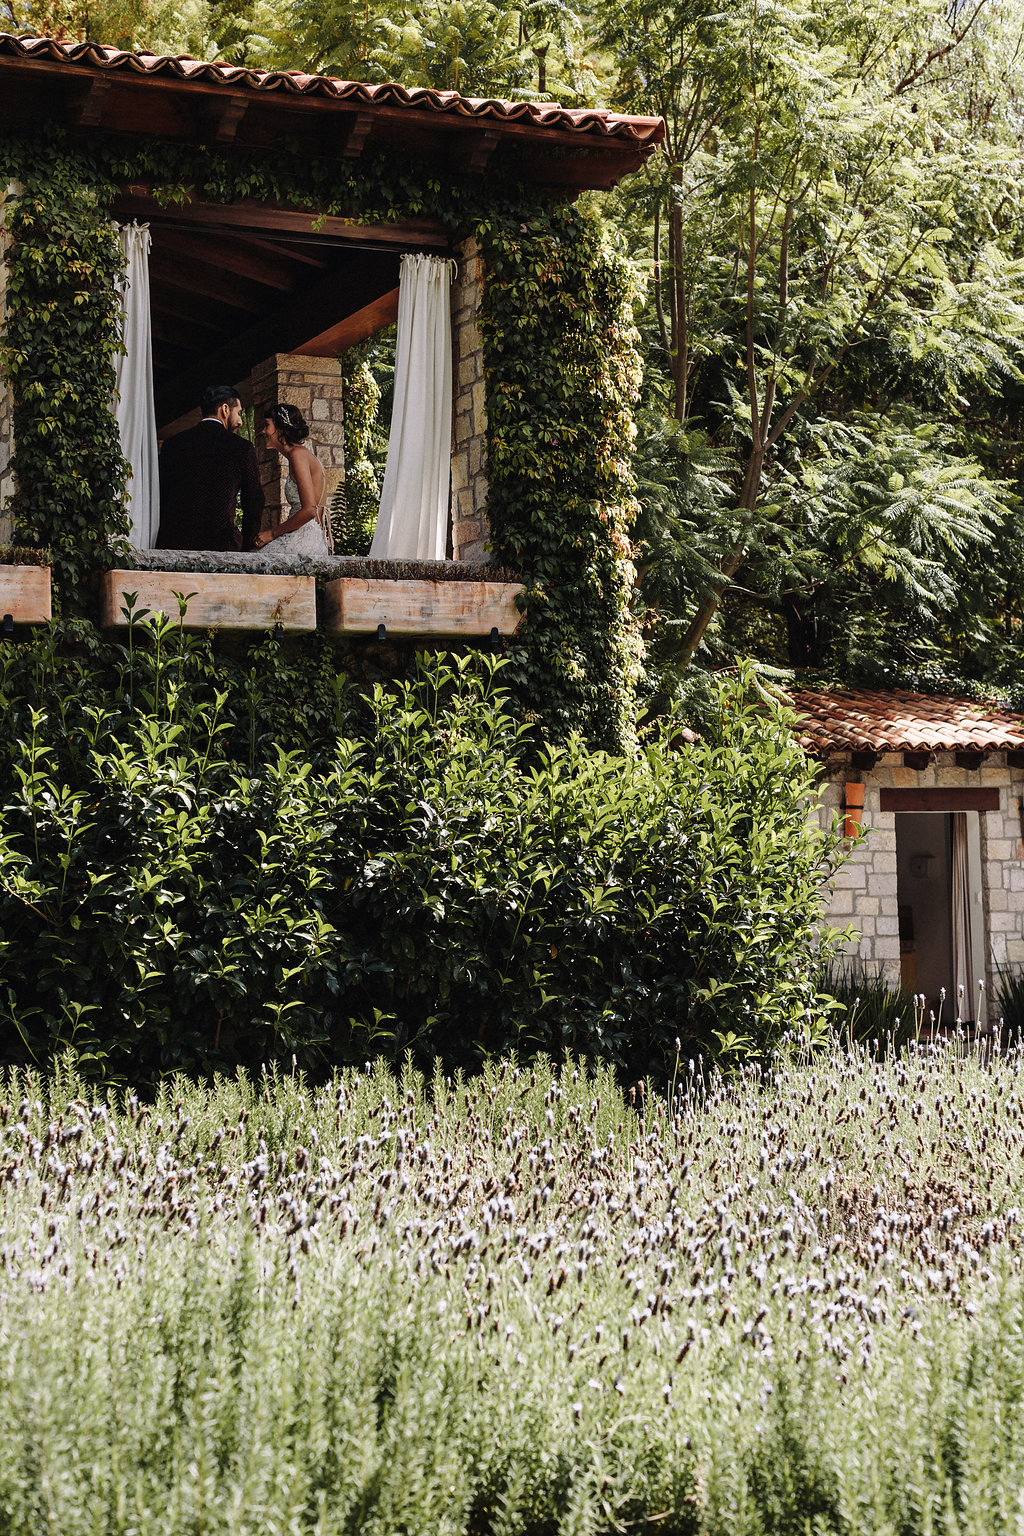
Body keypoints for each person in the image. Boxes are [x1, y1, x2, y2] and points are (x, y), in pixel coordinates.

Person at [156, 385, 264, 551]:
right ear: (225, 409)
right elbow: (254, 501)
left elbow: (161, 495)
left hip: (174, 543)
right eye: (239, 413)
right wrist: (247, 545)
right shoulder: (241, 447)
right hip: (221, 545)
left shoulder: (173, 445)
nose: (240, 421)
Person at [247, 402, 333, 566]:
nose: (263, 431)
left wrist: (272, 534)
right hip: (309, 537)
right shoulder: (300, 454)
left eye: (267, 425)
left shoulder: (297, 455)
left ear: (280, 428)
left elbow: (309, 511)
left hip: (304, 539)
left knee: (249, 564)